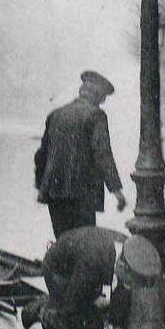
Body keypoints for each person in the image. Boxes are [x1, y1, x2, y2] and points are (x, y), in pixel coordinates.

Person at [21, 229, 161, 329]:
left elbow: (121, 290)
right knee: (88, 325)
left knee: (99, 312)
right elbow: (71, 305)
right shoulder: (92, 264)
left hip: (81, 267)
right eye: (130, 282)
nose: (129, 286)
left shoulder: (128, 250)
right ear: (122, 266)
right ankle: (41, 310)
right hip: (58, 272)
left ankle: (61, 305)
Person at [34, 71, 127, 238]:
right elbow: (102, 154)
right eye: (103, 97)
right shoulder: (96, 115)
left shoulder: (56, 114)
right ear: (98, 95)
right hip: (82, 195)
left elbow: (41, 155)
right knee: (82, 246)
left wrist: (41, 185)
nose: (104, 101)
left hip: (55, 193)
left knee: (62, 243)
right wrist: (117, 191)